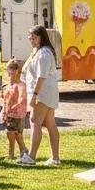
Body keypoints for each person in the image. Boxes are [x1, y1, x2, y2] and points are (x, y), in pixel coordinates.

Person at [20, 27, 61, 166]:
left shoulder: (43, 53)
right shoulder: (38, 52)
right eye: (30, 38)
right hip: (46, 92)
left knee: (34, 121)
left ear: (41, 37)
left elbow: (41, 77)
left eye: (34, 38)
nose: (31, 41)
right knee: (50, 123)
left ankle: (31, 157)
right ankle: (55, 158)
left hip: (42, 92)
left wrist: (34, 95)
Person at [0, 57, 29, 160]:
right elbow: (5, 99)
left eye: (13, 68)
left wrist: (17, 104)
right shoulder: (7, 85)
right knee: (12, 134)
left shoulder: (21, 85)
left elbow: (21, 97)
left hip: (18, 114)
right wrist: (4, 111)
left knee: (15, 134)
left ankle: (17, 152)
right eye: (9, 68)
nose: (10, 71)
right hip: (8, 113)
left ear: (18, 71)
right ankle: (21, 151)